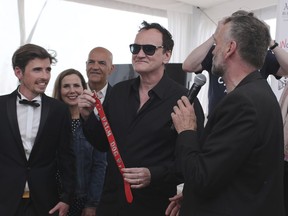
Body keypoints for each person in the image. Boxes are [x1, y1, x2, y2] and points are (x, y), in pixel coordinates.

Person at [78, 21, 205, 216]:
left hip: (155, 205)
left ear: (167, 55)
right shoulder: (118, 91)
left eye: (149, 49)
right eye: (135, 48)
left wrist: (153, 175)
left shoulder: (184, 101)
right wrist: (87, 117)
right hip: (112, 203)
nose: (140, 54)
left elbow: (191, 161)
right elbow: (103, 143)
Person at [166, 14, 285, 216]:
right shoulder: (259, 92)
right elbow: (233, 167)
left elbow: (202, 178)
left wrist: (186, 130)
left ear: (230, 48)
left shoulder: (242, 103)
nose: (213, 51)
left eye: (217, 43)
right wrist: (191, 194)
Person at [0, 43, 75, 216]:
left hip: (45, 202)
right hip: (5, 200)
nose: (45, 76)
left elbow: (67, 158)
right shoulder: (1, 106)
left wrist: (66, 198)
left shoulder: (59, 110)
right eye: (37, 70)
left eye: (48, 70)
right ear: (18, 72)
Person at [182, 10, 288, 115]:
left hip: (247, 114)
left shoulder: (261, 54)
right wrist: (216, 36)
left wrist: (270, 42)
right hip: (218, 117)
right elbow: (188, 66)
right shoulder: (218, 51)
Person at [52, 68, 107, 216]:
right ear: (59, 90)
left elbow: (99, 166)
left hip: (83, 199)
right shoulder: (51, 122)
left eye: (76, 86)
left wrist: (92, 204)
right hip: (54, 197)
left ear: (84, 89)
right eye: (66, 86)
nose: (72, 91)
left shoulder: (93, 124)